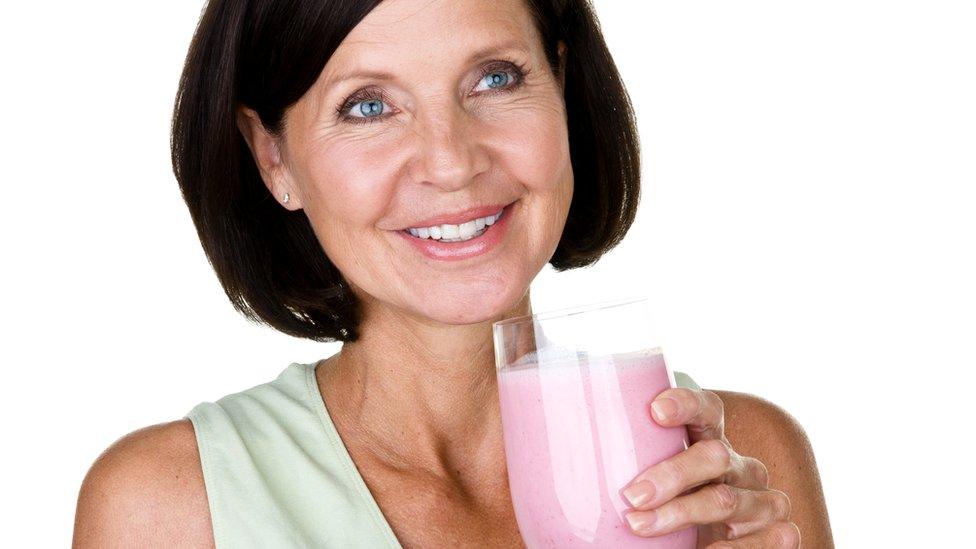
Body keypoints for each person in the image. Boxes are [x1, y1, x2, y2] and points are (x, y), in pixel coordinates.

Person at [72, 0, 833, 547]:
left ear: (561, 89)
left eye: (496, 79)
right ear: (273, 155)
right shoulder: (167, 510)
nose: (451, 160)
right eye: (368, 105)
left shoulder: (738, 472)